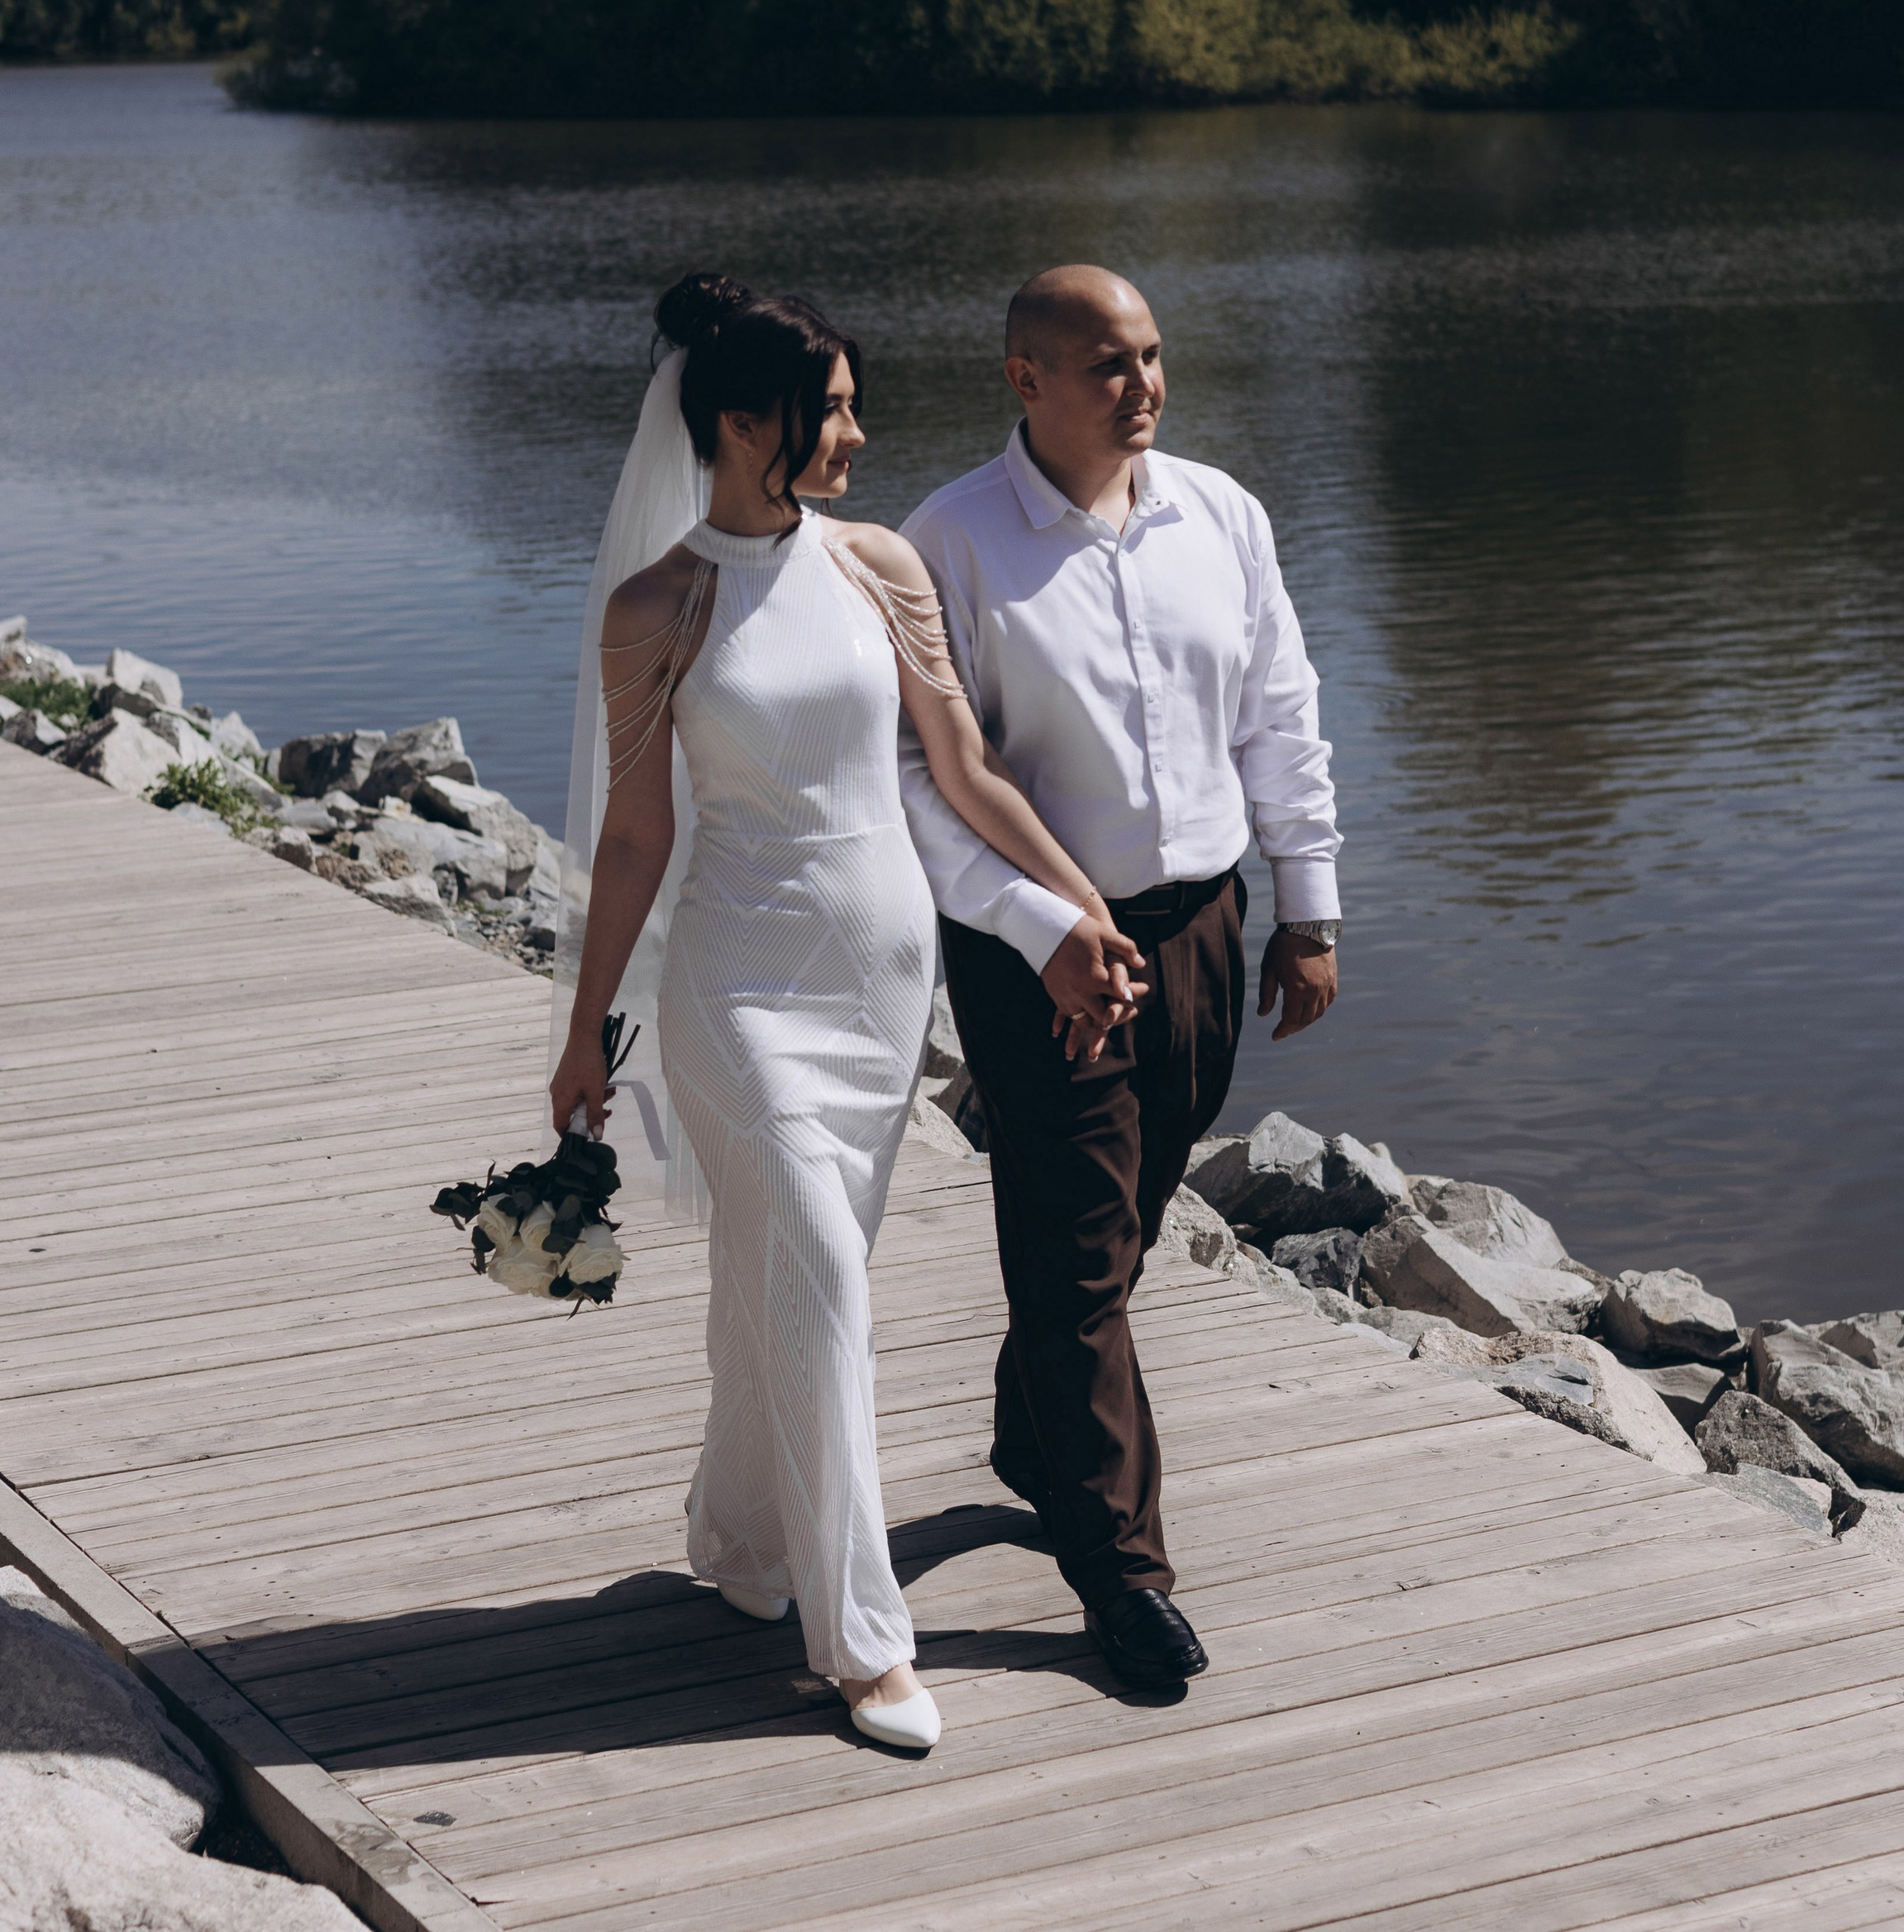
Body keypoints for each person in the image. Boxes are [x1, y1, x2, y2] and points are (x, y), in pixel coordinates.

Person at [549, 274, 1143, 1755]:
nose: (858, 436)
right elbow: (632, 841)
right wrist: (583, 1032)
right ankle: (865, 1640)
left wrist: (1079, 908)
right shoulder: (656, 608)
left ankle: (740, 1539)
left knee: (794, 1272)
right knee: (820, 1262)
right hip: (737, 990)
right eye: (832, 411)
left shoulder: (879, 567)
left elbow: (967, 771)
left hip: (883, 985)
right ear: (746, 423)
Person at [900, 264, 1342, 1691]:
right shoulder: (949, 544)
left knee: (1131, 1210)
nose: (1144, 387)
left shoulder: (1224, 515)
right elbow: (921, 783)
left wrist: (1306, 907)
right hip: (1041, 949)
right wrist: (1041, 931)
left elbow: (1281, 716)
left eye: (1153, 358)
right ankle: (1123, 1576)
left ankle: (1037, 1433)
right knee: (1078, 1246)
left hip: (1204, 927)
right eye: (1109, 365)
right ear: (1027, 379)